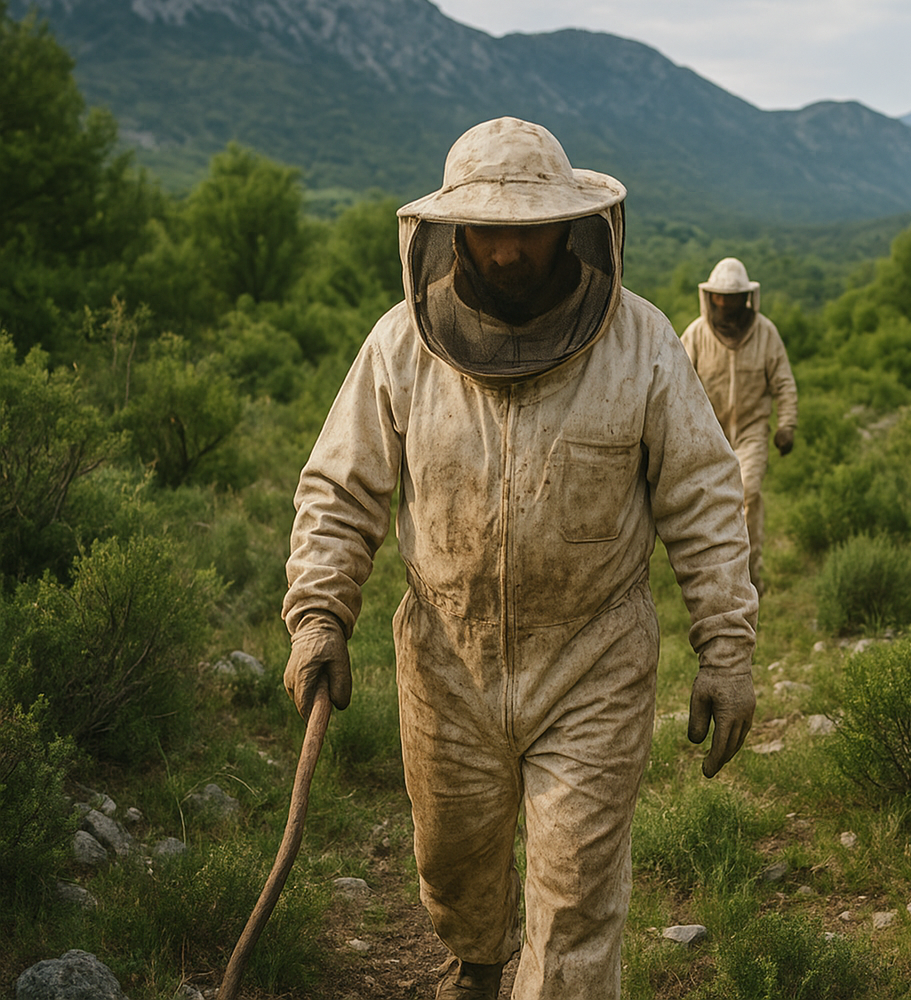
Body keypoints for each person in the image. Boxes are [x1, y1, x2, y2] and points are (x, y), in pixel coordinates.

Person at [279, 117, 758, 1000]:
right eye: (487, 232)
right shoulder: (399, 345)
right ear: (452, 233)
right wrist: (318, 616)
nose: (505, 253)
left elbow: (704, 498)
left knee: (576, 902)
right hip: (444, 660)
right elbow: (340, 490)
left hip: (593, 661)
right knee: (453, 867)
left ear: (569, 227)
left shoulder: (643, 344)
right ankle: (475, 959)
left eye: (525, 231)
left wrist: (726, 649)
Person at [679, 258, 798, 596]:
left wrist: (787, 424)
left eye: (732, 297)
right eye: (720, 296)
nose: (726, 304)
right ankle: (714, 580)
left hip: (752, 431)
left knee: (749, 494)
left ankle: (749, 579)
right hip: (709, 434)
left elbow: (784, 383)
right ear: (711, 297)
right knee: (710, 507)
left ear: (746, 297)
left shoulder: (766, 333)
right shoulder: (697, 335)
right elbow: (677, 384)